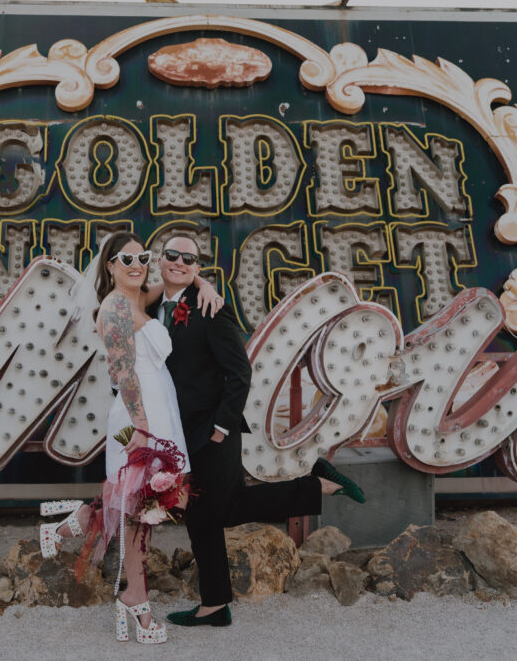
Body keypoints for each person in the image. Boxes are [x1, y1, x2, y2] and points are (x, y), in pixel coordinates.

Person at [151, 235, 366, 628]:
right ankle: (214, 605)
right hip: (177, 432)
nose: (179, 261)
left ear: (198, 266)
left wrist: (221, 426)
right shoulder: (153, 306)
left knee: (226, 507)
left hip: (213, 430)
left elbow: (240, 371)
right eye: (172, 255)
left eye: (189, 258)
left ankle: (315, 484)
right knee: (201, 517)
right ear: (160, 259)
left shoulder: (211, 310)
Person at [38, 232, 221, 645]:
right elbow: (124, 374)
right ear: (110, 265)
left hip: (157, 413)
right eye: (126, 259)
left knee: (139, 506)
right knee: (141, 512)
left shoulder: (137, 296)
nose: (137, 264)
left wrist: (203, 283)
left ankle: (69, 528)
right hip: (138, 419)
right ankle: (135, 602)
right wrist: (141, 430)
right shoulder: (116, 306)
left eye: (143, 257)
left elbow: (179, 280)